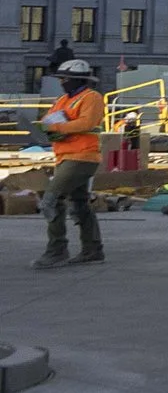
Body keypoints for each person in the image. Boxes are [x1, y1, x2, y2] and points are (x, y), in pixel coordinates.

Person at [34, 59, 105, 269]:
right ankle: (93, 249)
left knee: (51, 200)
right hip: (65, 156)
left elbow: (87, 122)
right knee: (80, 203)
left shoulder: (92, 97)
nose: (62, 82)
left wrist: (56, 126)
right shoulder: (63, 99)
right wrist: (47, 127)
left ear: (76, 79)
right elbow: (48, 119)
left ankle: (57, 250)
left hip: (82, 157)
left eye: (65, 79)